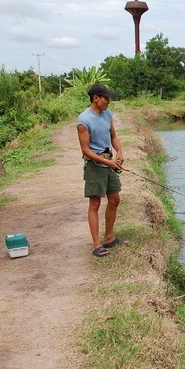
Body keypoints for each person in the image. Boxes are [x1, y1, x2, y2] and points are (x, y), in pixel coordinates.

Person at [77, 83, 126, 257]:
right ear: (95, 98)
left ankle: (109, 238)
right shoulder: (84, 120)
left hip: (109, 164)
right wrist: (107, 163)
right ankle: (96, 245)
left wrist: (119, 152)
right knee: (95, 204)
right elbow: (86, 150)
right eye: (105, 98)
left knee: (114, 199)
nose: (108, 102)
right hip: (95, 166)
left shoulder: (107, 114)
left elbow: (113, 136)